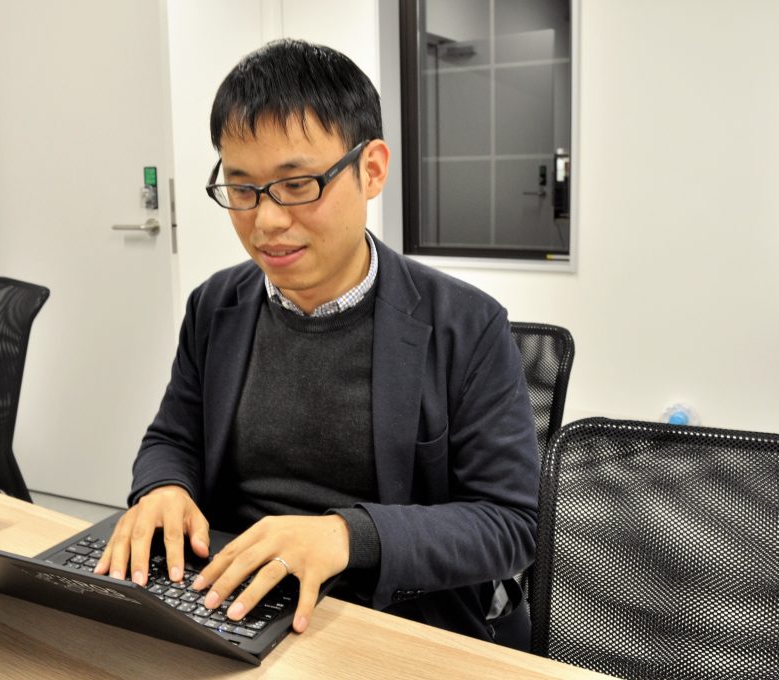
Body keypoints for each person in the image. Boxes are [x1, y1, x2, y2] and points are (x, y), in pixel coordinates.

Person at [96, 38, 539, 649]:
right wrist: (163, 488)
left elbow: (509, 523)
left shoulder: (467, 325)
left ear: (371, 170)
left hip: (391, 618)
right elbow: (174, 437)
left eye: (298, 184)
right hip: (233, 603)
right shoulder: (215, 307)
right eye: (242, 189)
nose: (267, 221)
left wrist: (346, 536)